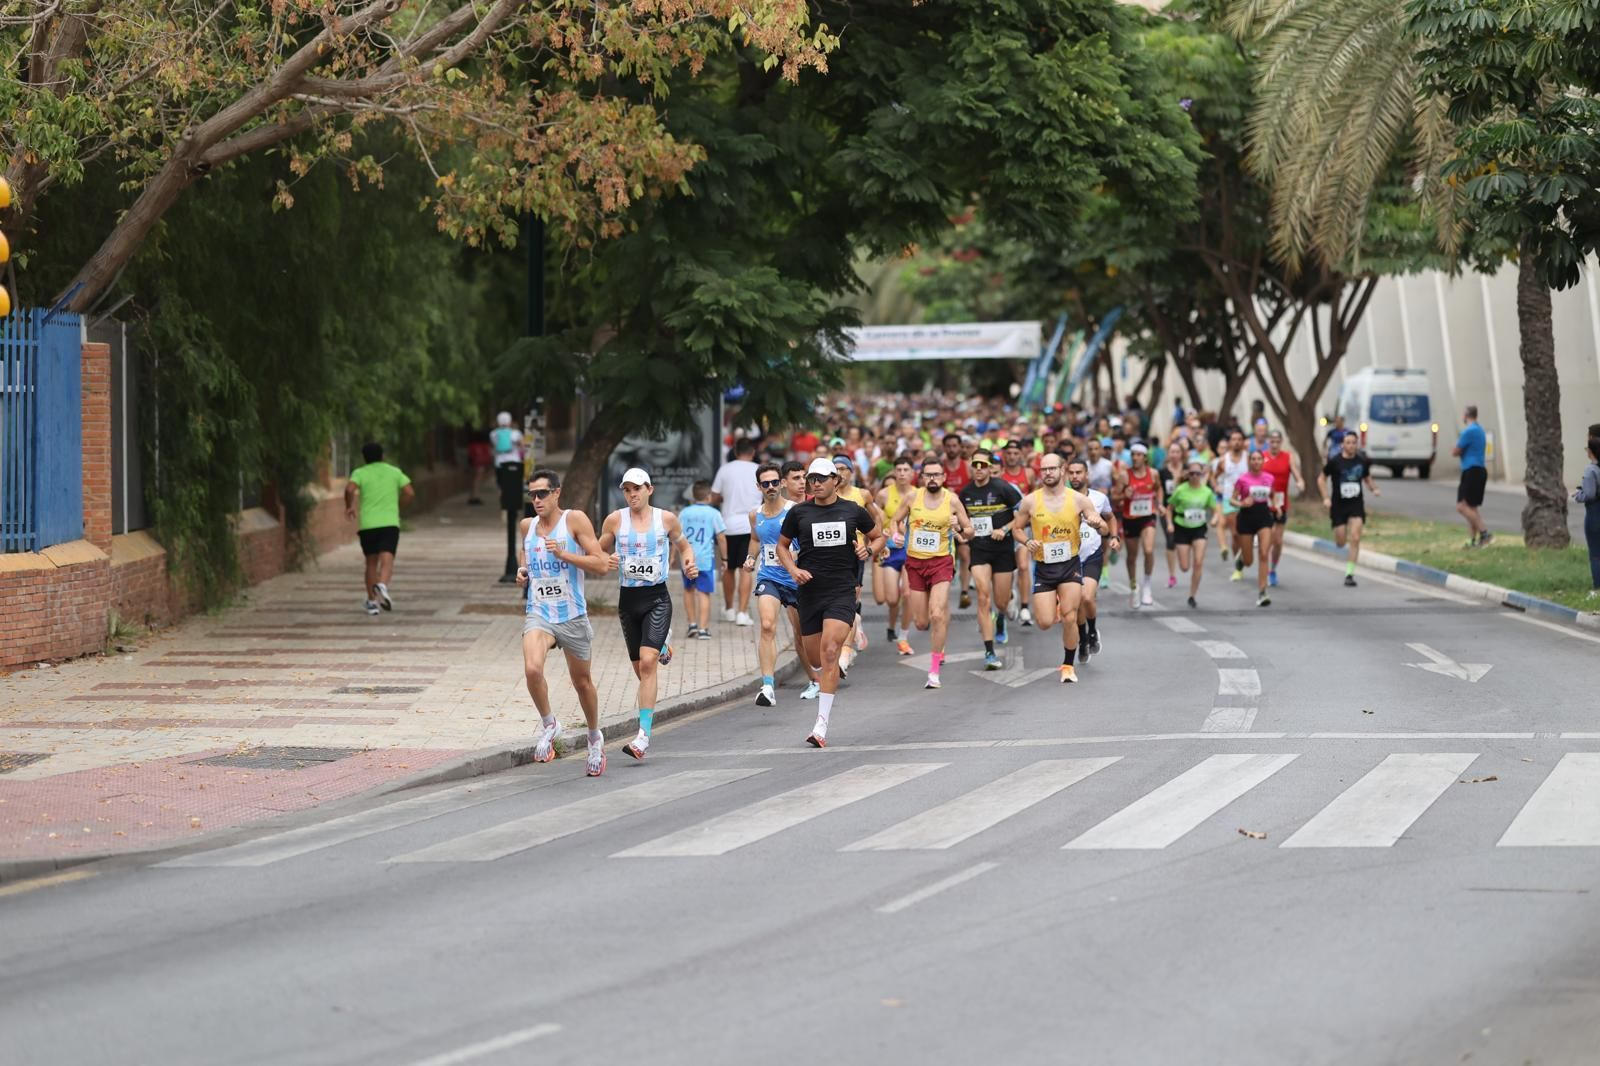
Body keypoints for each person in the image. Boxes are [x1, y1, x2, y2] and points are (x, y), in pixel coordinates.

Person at [779, 458, 883, 747]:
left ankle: (821, 725)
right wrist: (793, 570)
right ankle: (851, 634)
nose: (815, 483)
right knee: (815, 660)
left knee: (829, 652)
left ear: (835, 480)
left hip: (841, 589)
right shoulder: (799, 512)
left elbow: (879, 537)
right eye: (812, 478)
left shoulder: (852, 511)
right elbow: (781, 546)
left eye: (822, 478)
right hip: (810, 591)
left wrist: (868, 549)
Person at [598, 468, 699, 762]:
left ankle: (643, 736)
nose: (632, 494)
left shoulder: (665, 519)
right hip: (628, 602)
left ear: (649, 489)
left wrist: (690, 564)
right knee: (641, 670)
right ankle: (663, 645)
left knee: (647, 663)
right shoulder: (615, 520)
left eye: (637, 489)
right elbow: (597, 551)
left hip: (657, 598)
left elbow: (683, 546)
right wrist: (607, 558)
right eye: (627, 490)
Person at [516, 469, 611, 777]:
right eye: (532, 494)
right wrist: (522, 571)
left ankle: (594, 736)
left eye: (542, 493)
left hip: (572, 615)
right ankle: (549, 724)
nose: (536, 500)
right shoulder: (527, 526)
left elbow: (600, 564)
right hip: (540, 611)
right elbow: (526, 554)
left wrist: (566, 554)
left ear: (556, 493)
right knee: (532, 669)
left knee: (582, 682)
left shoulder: (574, 520)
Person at [1012, 453, 1110, 683]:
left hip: (1070, 566)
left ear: (1062, 470)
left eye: (1051, 469)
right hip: (1045, 568)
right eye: (1043, 469)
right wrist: (1027, 541)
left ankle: (1068, 665)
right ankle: (1055, 605)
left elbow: (1103, 527)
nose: (1047, 473)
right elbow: (1016, 529)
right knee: (1045, 622)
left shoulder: (1078, 500)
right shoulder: (1030, 501)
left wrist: (1099, 525)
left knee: (1069, 617)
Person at [889, 458, 976, 689]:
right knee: (921, 622)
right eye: (928, 475)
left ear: (944, 477)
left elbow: (970, 532)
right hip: (915, 563)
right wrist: (896, 534)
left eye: (937, 474)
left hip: (941, 562)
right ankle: (936, 637)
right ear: (922, 477)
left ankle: (934, 671)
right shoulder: (912, 497)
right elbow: (895, 521)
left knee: (937, 614)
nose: (933, 479)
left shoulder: (953, 500)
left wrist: (959, 526)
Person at [745, 462, 821, 706]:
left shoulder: (796, 510)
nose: (770, 487)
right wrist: (749, 558)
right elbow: (756, 540)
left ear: (781, 483)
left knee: (803, 634)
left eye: (774, 482)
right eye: (765, 484)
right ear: (759, 487)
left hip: (798, 579)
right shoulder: (754, 515)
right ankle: (767, 686)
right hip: (770, 577)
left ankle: (817, 678)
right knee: (767, 625)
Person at [959, 450, 1023, 670]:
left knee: (1001, 601)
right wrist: (962, 532)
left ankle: (1002, 617)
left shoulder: (1003, 488)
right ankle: (989, 651)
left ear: (989, 467)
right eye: (975, 464)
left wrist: (1004, 529)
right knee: (984, 597)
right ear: (970, 466)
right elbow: (962, 523)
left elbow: (1022, 516)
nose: (979, 469)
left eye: (983, 465)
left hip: (1003, 550)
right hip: (980, 550)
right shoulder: (964, 493)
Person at [343, 442, 414, 616]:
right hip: (389, 523)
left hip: (368, 525)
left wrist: (349, 506)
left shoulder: (360, 472)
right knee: (387, 558)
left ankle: (372, 602)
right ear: (383, 455)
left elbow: (349, 489)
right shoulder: (394, 471)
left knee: (371, 563)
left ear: (364, 457)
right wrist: (399, 505)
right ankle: (382, 585)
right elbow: (410, 492)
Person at [1066, 459, 1118, 662]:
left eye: (1079, 472)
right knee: (1076, 602)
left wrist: (1113, 536)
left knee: (1087, 597)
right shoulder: (1063, 499)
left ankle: (1093, 630)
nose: (1075, 476)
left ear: (1087, 475)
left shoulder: (1099, 498)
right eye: (1071, 472)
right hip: (1070, 557)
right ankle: (1083, 638)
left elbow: (1111, 517)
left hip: (1092, 554)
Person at [710, 437, 762, 626]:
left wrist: (725, 497)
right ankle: (742, 612)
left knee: (728, 568)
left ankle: (730, 609)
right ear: (753, 453)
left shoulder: (725, 469)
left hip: (728, 524)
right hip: (752, 525)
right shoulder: (758, 469)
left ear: (735, 451)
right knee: (746, 569)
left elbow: (714, 496)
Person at [1320, 432, 1380, 587]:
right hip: (1339, 505)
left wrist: (1374, 489)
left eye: (1354, 442)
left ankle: (1349, 573)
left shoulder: (1361, 462)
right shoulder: (1335, 462)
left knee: (1355, 537)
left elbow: (1367, 477)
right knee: (1341, 542)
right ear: (1342, 445)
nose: (1351, 445)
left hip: (1356, 505)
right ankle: (1340, 538)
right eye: (1348, 442)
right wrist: (1326, 497)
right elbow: (1321, 478)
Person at [875, 455, 917, 655]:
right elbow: (875, 520)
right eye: (898, 470)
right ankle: (892, 624)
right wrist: (877, 539)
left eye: (905, 470)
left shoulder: (919, 495)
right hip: (890, 550)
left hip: (912, 551)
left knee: (908, 594)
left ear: (912, 473)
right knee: (892, 599)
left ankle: (903, 634)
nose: (901, 473)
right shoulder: (883, 494)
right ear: (894, 472)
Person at [1116, 442, 1164, 608]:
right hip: (1130, 518)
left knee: (1149, 549)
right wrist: (1124, 495)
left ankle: (1147, 586)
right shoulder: (1125, 475)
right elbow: (1114, 497)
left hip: (1147, 516)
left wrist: (1160, 504)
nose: (1135, 458)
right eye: (1133, 455)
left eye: (1138, 455)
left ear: (1145, 457)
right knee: (1132, 556)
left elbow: (1158, 489)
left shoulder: (1153, 473)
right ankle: (1134, 586)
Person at [1166, 461, 1219, 608]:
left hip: (1199, 529)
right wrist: (1170, 524)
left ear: (1202, 475)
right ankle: (1183, 571)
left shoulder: (1206, 492)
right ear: (1187, 475)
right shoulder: (1181, 490)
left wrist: (1214, 519)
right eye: (1192, 473)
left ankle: (1192, 595)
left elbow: (1215, 510)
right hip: (1182, 527)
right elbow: (1169, 508)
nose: (1195, 476)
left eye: (1198, 473)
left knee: (1198, 562)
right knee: (1184, 567)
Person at [1232, 449, 1280, 607]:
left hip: (1263, 517)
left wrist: (1277, 506)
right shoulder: (1242, 479)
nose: (1256, 462)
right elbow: (1232, 500)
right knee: (1249, 561)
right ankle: (1241, 558)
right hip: (1246, 518)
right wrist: (1242, 503)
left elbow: (1273, 495)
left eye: (1259, 459)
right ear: (1249, 461)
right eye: (1253, 459)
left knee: (1264, 553)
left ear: (1263, 461)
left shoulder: (1269, 478)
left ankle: (1262, 592)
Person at [678, 481, 727, 637]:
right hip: (705, 559)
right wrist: (724, 558)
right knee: (704, 592)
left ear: (693, 495)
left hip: (687, 558)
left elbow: (677, 537)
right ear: (709, 496)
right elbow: (721, 537)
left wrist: (672, 556)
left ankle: (692, 625)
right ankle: (703, 629)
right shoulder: (714, 514)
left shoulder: (684, 513)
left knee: (688, 590)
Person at [1261, 429, 1304, 587]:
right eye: (1272, 441)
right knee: (1268, 536)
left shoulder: (1287, 457)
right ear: (1268, 442)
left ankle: (1272, 569)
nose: (1274, 444)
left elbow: (1295, 473)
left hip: (1280, 503)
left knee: (1277, 541)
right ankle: (1262, 566)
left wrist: (1299, 481)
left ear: (1281, 442)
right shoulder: (1262, 457)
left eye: (1277, 441)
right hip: (1263, 503)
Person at [1211, 429, 1249, 577]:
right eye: (1234, 439)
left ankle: (1247, 552)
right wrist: (1216, 486)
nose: (1237, 442)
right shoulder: (1223, 461)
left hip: (1246, 499)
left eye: (1239, 439)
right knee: (1235, 534)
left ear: (1243, 442)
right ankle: (1238, 565)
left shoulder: (1249, 458)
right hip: (1229, 499)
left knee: (1246, 532)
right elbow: (1213, 477)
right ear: (1229, 443)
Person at [1454, 405, 1491, 548]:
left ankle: (1484, 533)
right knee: (1472, 507)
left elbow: (1456, 451)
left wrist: (1456, 450)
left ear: (1466, 415)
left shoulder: (1468, 431)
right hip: (1480, 470)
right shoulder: (1480, 430)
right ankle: (1472, 540)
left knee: (1461, 506)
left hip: (1470, 470)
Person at [1575, 434, 1600, 598]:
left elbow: (1590, 494)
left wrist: (1578, 494)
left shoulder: (1590, 470)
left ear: (1591, 452)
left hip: (1594, 513)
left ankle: (1597, 588)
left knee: (1595, 553)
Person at [466, 428, 492, 505]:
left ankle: (472, 496)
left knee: (474, 480)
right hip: (480, 464)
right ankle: (475, 497)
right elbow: (488, 456)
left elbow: (470, 455)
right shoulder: (484, 445)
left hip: (473, 464)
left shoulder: (472, 445)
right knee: (477, 481)